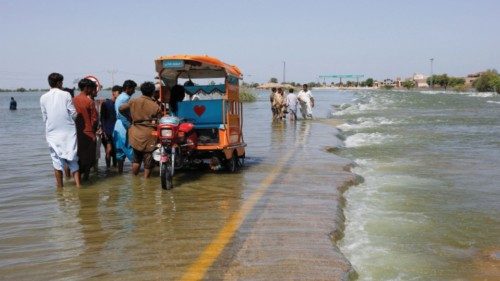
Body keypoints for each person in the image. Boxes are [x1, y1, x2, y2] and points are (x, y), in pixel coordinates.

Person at [40, 73, 81, 187]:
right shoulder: (66, 94)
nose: (62, 84)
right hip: (68, 132)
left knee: (56, 162)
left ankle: (60, 189)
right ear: (58, 83)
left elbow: (45, 118)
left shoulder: (43, 97)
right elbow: (73, 113)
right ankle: (78, 187)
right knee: (73, 159)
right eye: (61, 82)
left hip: (52, 133)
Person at [119, 82, 161, 178]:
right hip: (149, 134)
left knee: (136, 159)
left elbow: (121, 109)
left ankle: (135, 180)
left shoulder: (133, 101)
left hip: (135, 133)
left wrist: (130, 118)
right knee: (148, 159)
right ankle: (146, 182)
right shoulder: (155, 106)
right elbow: (159, 121)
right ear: (152, 92)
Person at [73, 78, 98, 181]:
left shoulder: (73, 100)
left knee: (76, 159)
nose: (92, 90)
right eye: (91, 88)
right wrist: (94, 132)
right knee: (88, 160)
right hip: (88, 134)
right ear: (87, 88)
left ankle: (76, 180)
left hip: (75, 133)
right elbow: (95, 120)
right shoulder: (89, 101)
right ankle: (86, 180)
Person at [113, 80, 137, 173]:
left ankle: (120, 173)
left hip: (117, 127)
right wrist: (130, 127)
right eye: (133, 89)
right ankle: (135, 177)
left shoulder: (119, 97)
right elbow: (122, 115)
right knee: (132, 152)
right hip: (124, 127)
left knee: (119, 152)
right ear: (127, 88)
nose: (134, 91)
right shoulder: (125, 99)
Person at [100, 85, 120, 169]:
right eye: (119, 93)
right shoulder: (105, 104)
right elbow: (102, 118)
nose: (119, 95)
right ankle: (108, 169)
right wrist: (103, 131)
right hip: (107, 131)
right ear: (113, 93)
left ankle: (114, 168)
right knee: (108, 150)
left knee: (116, 152)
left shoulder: (120, 105)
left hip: (117, 131)